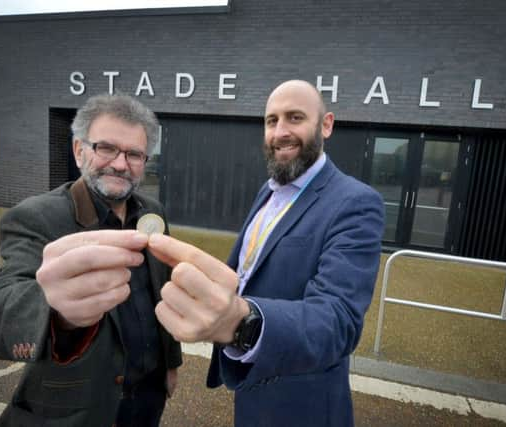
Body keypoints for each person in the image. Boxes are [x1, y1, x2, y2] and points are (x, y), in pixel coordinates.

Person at [148, 80, 385, 426]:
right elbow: (246, 272)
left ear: (326, 124)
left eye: (295, 118)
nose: (281, 132)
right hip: (251, 384)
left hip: (302, 403)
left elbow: (339, 320)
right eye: (272, 121)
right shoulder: (269, 191)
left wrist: (242, 324)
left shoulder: (355, 202)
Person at [0, 94, 182, 427]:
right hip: (78, 407)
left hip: (148, 397)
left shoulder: (154, 214)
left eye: (134, 154)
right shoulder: (37, 217)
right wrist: (53, 308)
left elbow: (162, 292)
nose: (120, 164)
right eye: (106, 148)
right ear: (79, 151)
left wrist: (171, 363)